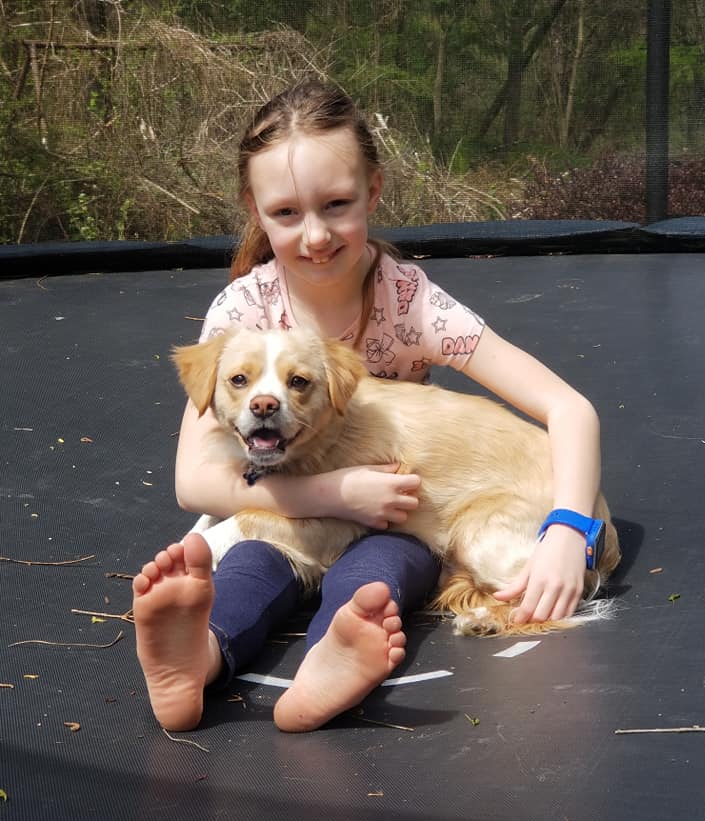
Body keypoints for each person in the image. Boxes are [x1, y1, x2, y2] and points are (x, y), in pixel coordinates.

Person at [132, 80, 602, 734]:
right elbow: (193, 482)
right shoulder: (241, 315)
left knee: (377, 571)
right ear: (255, 210)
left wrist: (567, 531)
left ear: (373, 192)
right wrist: (338, 493)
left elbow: (571, 409)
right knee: (253, 560)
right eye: (287, 212)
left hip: (424, 523)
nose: (316, 234)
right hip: (312, 505)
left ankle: (330, 661)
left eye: (336, 204)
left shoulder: (411, 303)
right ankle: (198, 654)